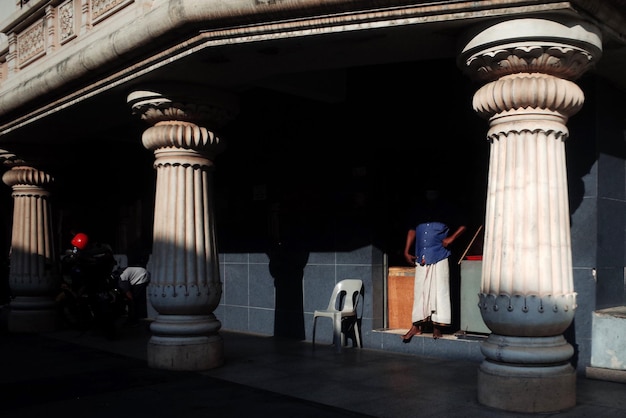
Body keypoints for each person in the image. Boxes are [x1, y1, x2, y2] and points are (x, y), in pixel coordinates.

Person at [401, 188, 466, 341]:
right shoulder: (419, 209)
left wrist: (451, 239)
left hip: (440, 254)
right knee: (420, 292)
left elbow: (463, 224)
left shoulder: (446, 208)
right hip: (421, 255)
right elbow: (412, 230)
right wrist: (406, 250)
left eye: (433, 190)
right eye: (428, 190)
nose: (431, 193)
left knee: (440, 291)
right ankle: (416, 326)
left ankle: (438, 327)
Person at [116, 257, 151, 326]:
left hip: (141, 277)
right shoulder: (121, 274)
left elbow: (128, 293)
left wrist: (130, 300)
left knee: (133, 301)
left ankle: (133, 320)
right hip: (141, 275)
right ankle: (134, 318)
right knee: (133, 300)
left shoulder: (121, 278)